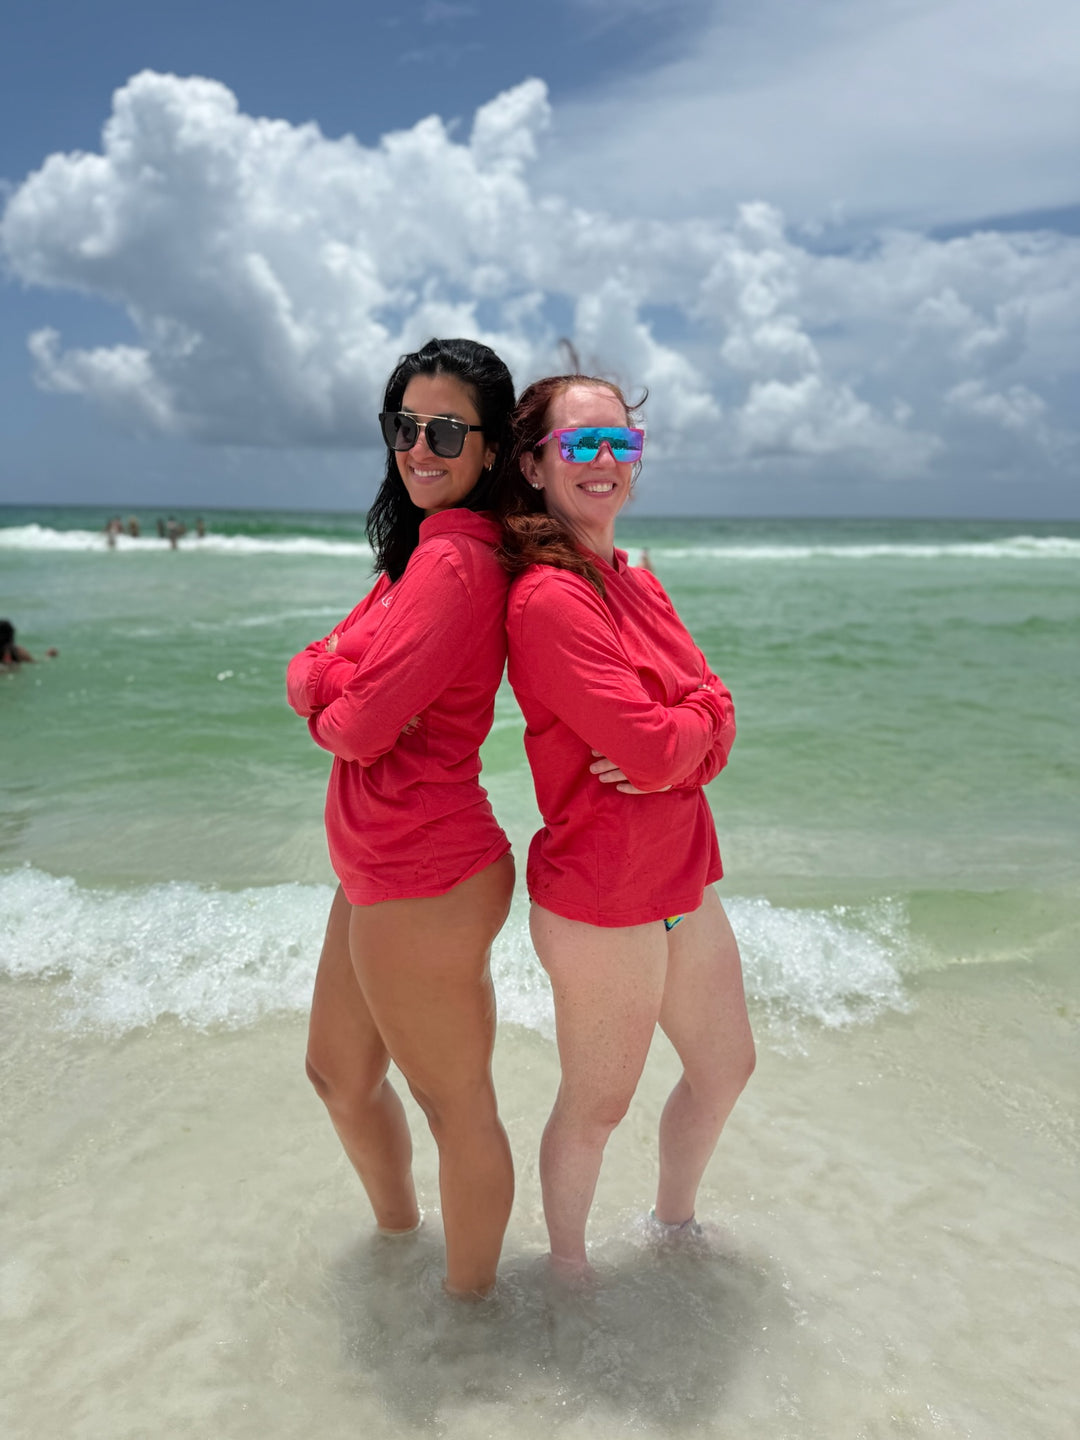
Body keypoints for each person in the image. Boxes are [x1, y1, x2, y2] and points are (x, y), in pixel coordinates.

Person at [499, 374, 755, 1278]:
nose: (605, 462)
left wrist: (693, 736)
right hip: (604, 896)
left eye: (621, 444)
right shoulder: (548, 601)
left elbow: (715, 707)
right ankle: (567, 1280)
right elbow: (651, 746)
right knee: (598, 1106)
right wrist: (686, 737)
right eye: (580, 445)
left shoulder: (636, 581)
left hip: (684, 874)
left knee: (726, 1068)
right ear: (534, 465)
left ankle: (673, 1230)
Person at [286, 338, 517, 1298]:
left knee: (454, 1106)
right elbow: (312, 667)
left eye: (447, 430)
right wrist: (330, 686)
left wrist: (332, 692)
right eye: (405, 427)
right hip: (376, 868)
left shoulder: (457, 564)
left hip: (428, 871)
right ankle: (398, 1243)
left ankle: (469, 1324)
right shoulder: (417, 555)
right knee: (339, 1075)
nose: (419, 447)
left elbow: (355, 724)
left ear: (494, 448)